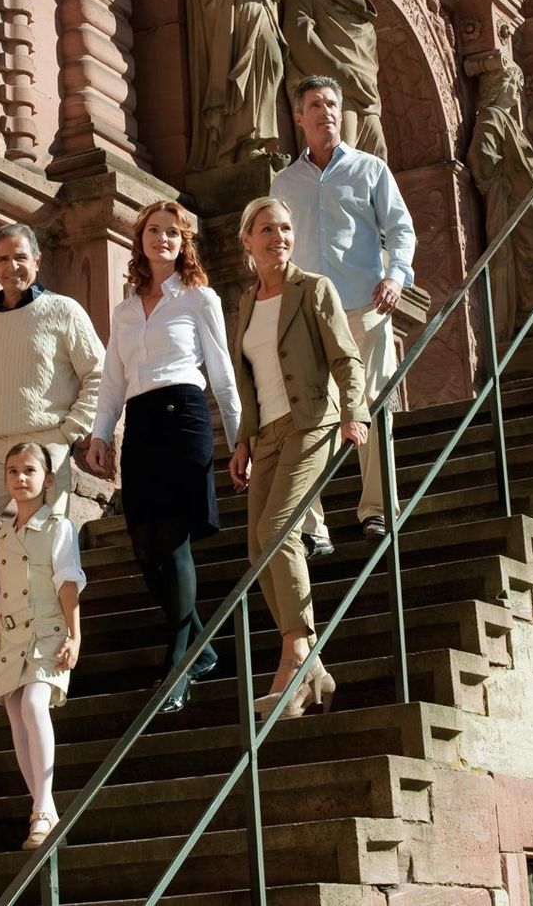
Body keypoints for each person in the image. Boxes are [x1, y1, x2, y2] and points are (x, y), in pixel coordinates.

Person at [86, 201, 241, 714]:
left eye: (172, 233)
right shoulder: (126, 309)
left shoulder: (200, 298)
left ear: (183, 243)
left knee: (173, 541)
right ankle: (202, 647)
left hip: (185, 418)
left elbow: (221, 374)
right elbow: (112, 381)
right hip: (142, 424)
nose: (162, 240)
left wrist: (240, 438)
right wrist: (100, 434)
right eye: (154, 231)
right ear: (141, 240)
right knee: (143, 546)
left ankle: (177, 664)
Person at [229, 197, 369, 717]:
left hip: (314, 422)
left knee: (278, 530)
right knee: (254, 549)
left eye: (285, 228)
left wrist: (355, 413)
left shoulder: (314, 289)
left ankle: (294, 654)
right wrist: (243, 439)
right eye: (266, 229)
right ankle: (313, 669)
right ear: (248, 240)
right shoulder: (245, 302)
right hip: (266, 434)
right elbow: (249, 379)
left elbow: (345, 357)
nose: (278, 238)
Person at [270, 75, 416, 554]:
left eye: (332, 103)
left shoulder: (371, 170)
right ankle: (314, 527)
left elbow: (401, 230)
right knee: (311, 418)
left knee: (374, 408)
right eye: (315, 104)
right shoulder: (283, 182)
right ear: (299, 117)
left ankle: (377, 511)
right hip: (311, 317)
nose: (326, 111)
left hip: (366, 308)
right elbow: (278, 247)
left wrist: (396, 276)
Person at [0, 223, 104, 615]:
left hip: (44, 444)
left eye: (20, 257)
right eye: (3, 259)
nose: (11, 266)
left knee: (45, 545)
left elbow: (98, 373)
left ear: (37, 260)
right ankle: (1, 622)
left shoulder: (63, 311)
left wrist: (71, 432)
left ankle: (50, 632)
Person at [0, 442, 85, 849]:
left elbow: (68, 582)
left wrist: (75, 636)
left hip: (48, 634)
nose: (20, 478)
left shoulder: (60, 528)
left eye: (28, 470)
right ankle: (44, 807)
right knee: (14, 713)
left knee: (32, 705)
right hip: (10, 638)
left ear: (47, 479)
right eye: (12, 471)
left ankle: (42, 810)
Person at [271, 0, 387, 159]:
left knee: (377, 156)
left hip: (365, 90)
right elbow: (299, 34)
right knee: (340, 155)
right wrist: (339, 74)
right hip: (336, 87)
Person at [183, 0, 290, 171]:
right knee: (254, 63)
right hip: (233, 2)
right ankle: (237, 146)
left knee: (272, 64)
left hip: (256, 0)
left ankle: (254, 142)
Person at [466, 61, 533, 344]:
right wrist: (501, 186)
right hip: (516, 207)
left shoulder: (507, 121)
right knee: (528, 260)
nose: (518, 92)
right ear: (502, 85)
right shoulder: (492, 116)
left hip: (524, 206)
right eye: (515, 85)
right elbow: (481, 157)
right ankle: (525, 317)